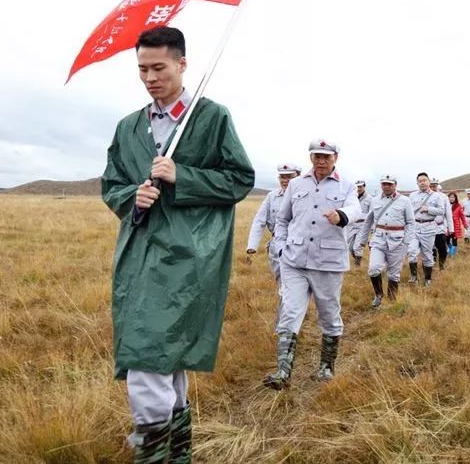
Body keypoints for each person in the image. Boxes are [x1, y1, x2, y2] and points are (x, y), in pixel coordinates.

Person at [102, 26, 255, 462]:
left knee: (147, 359)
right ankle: (178, 455)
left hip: (189, 260)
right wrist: (131, 196)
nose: (150, 77)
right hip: (136, 257)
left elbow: (240, 179)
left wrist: (181, 175)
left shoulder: (212, 117)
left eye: (159, 67)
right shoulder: (128, 127)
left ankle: (152, 455)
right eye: (142, 69)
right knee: (163, 362)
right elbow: (111, 182)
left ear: (182, 64)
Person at [264, 139, 361, 390]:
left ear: (335, 158)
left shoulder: (347, 186)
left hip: (327, 263)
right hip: (294, 260)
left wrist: (341, 215)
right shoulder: (296, 184)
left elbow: (355, 209)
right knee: (290, 311)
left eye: (326, 156)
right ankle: (283, 372)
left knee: (329, 315)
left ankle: (326, 367)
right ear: (310, 158)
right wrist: (282, 245)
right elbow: (282, 219)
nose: (321, 160)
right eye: (316, 156)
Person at [245, 163, 302, 328]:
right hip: (277, 247)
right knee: (284, 285)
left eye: (289, 177)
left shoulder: (306, 196)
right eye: (282, 177)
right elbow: (259, 220)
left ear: (298, 176)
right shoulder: (272, 197)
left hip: (299, 246)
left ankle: (283, 325)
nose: (285, 180)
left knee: (290, 286)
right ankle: (292, 316)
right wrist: (252, 246)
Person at [357, 175, 416, 307]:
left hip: (397, 241)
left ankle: (391, 300)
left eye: (390, 184)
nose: (387, 187)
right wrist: (363, 240)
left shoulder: (405, 201)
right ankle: (378, 295)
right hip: (378, 240)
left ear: (395, 185)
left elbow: (411, 223)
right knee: (373, 269)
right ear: (381, 185)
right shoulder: (375, 200)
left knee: (393, 274)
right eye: (384, 184)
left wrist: (406, 242)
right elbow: (368, 221)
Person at [408, 172, 441, 286]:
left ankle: (428, 279)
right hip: (414, 227)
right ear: (417, 183)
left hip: (428, 227)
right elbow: (408, 211)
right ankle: (414, 276)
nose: (422, 182)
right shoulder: (412, 196)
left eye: (424, 180)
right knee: (411, 251)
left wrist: (428, 209)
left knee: (427, 254)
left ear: (428, 181)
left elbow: (441, 211)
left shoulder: (436, 196)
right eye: (420, 181)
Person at [429, 177, 453, 270]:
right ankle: (431, 265)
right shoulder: (424, 196)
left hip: (440, 228)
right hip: (428, 227)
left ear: (437, 186)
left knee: (442, 249)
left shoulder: (443, 197)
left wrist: (451, 229)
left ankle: (441, 266)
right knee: (430, 249)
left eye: (435, 186)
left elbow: (448, 213)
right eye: (431, 186)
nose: (433, 188)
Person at [346, 180, 371, 267]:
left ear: (364, 187)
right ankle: (356, 259)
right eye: (357, 187)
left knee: (357, 246)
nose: (359, 189)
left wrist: (371, 228)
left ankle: (358, 265)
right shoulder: (352, 197)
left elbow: (371, 213)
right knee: (349, 247)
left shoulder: (369, 198)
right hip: (352, 224)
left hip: (362, 225)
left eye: (361, 187)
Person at [448, 192, 467, 257]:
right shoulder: (446, 205)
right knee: (446, 240)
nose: (451, 199)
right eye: (450, 197)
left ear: (455, 198)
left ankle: (452, 254)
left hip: (455, 226)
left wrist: (465, 224)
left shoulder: (458, 206)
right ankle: (450, 250)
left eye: (453, 197)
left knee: (454, 240)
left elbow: (462, 216)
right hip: (447, 226)